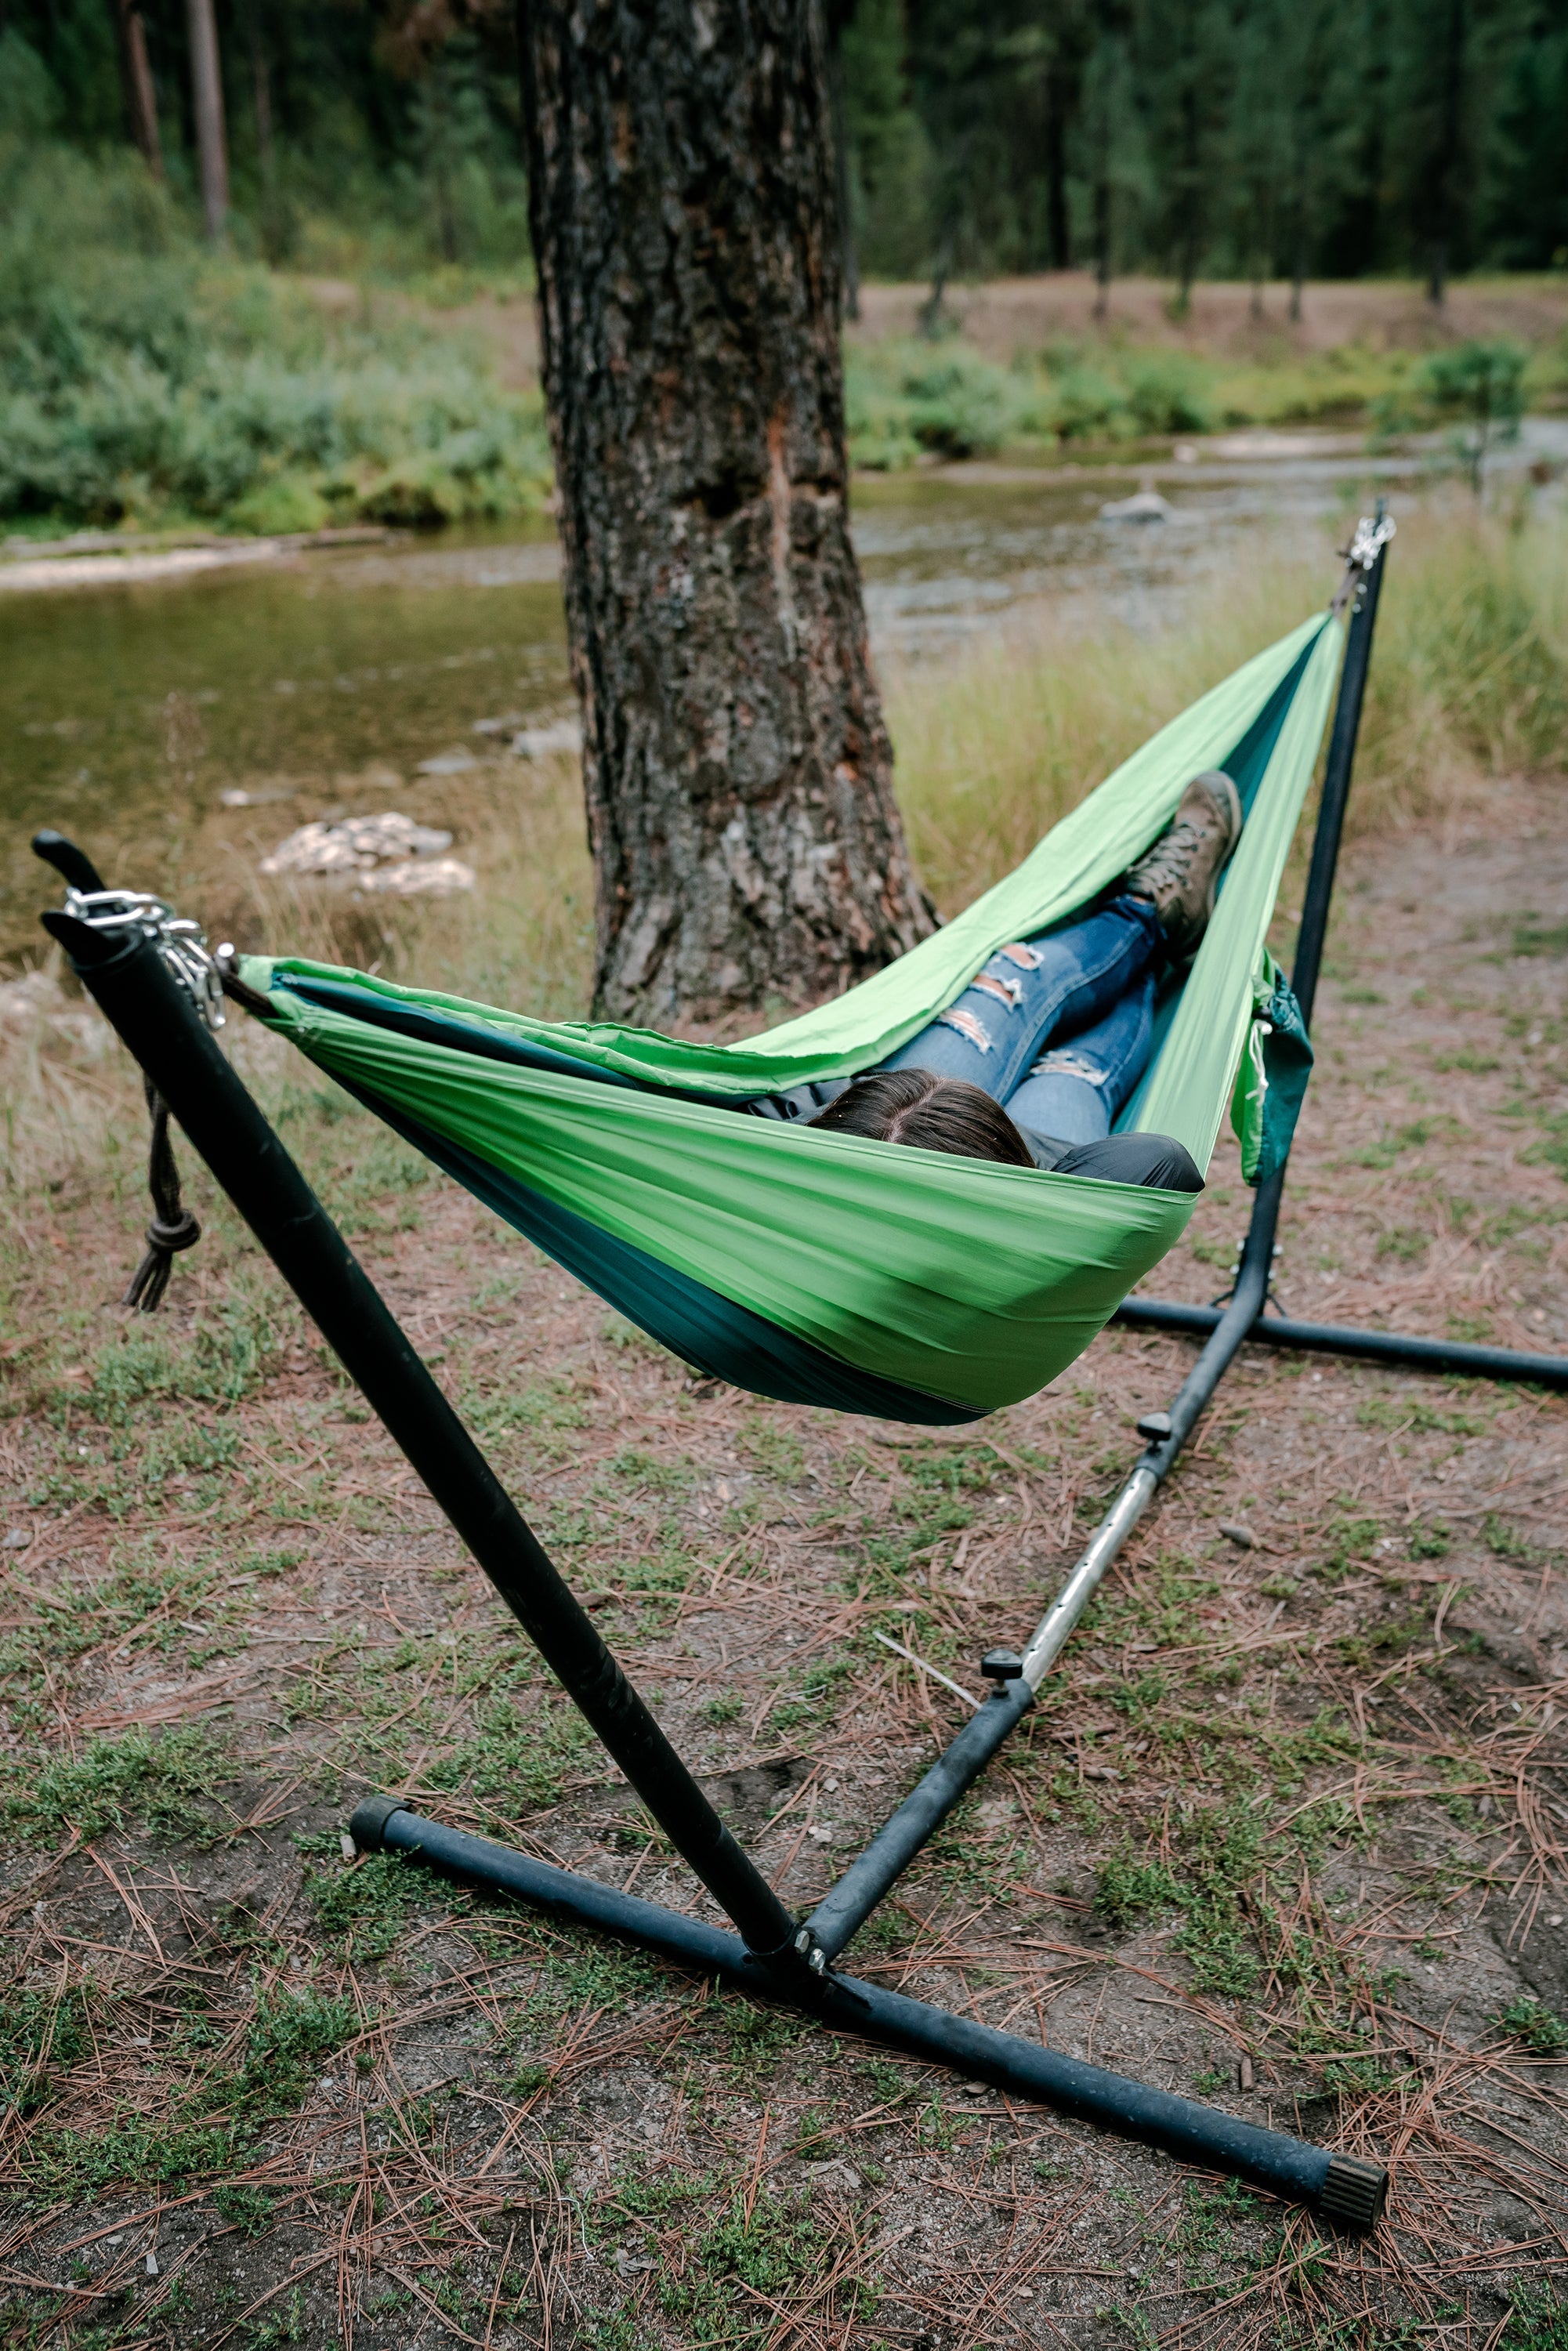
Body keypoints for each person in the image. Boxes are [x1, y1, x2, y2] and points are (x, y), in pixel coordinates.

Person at [809, 770, 1243, 1190]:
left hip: (874, 1118)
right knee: (1077, 1063)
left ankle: (1145, 918)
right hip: (1032, 1176)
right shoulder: (1046, 1203)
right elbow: (1162, 1160)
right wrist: (1050, 1191)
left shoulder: (775, 1169)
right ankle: (1152, 923)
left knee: (1011, 978)